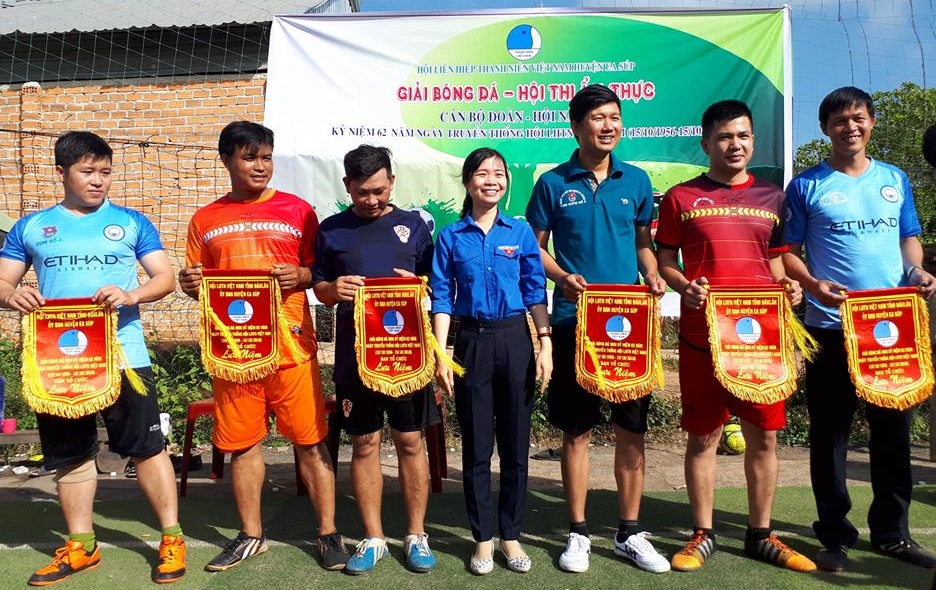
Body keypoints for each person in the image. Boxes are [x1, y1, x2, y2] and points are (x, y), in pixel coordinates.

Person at [0, 131, 185, 586]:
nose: (98, 180)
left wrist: (132, 293)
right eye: (87, 172)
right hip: (58, 363)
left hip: (125, 358)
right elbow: (2, 282)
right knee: (70, 454)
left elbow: (164, 278)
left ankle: (171, 539)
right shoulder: (31, 227)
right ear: (61, 172)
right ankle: (82, 546)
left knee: (147, 448)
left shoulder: (132, 222)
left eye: (105, 171)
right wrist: (11, 296)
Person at [179, 121, 348, 572]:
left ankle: (328, 533)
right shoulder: (204, 220)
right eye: (249, 157)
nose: (260, 166)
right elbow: (197, 283)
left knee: (310, 441)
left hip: (292, 347)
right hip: (235, 352)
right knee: (242, 445)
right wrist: (189, 283)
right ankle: (252, 535)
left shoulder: (299, 211)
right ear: (226, 160)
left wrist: (303, 275)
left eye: (267, 157)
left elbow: (319, 273)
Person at [656, 100, 815, 574]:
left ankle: (761, 535)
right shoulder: (680, 197)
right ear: (706, 143)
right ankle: (702, 533)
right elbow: (665, 261)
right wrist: (684, 285)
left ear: (753, 141)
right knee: (703, 437)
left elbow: (776, 260)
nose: (735, 144)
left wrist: (790, 287)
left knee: (764, 438)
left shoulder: (774, 197)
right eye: (725, 136)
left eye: (743, 135)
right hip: (702, 338)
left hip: (762, 343)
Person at [783, 87, 936, 572]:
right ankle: (834, 535)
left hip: (890, 328)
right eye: (840, 120)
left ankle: (892, 533)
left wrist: (916, 271)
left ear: (871, 122)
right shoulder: (806, 186)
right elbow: (786, 252)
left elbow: (908, 238)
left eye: (858, 118)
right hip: (830, 326)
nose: (850, 127)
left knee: (893, 431)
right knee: (830, 434)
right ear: (825, 128)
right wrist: (812, 284)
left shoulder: (894, 179)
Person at [524, 84, 669, 574]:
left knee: (632, 429)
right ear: (576, 126)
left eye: (615, 117)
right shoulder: (552, 183)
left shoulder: (638, 180)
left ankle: (630, 532)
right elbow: (535, 248)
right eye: (598, 118)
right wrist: (562, 277)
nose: (609, 126)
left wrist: (652, 274)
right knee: (577, 430)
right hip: (574, 322)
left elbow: (644, 243)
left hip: (629, 325)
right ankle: (579, 532)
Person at [311, 144, 440, 574]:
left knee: (410, 442)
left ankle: (416, 534)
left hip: (407, 357)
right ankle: (373, 538)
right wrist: (334, 290)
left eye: (380, 190)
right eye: (362, 191)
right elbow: (320, 288)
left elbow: (436, 285)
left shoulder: (414, 226)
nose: (371, 199)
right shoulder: (331, 230)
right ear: (347, 185)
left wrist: (419, 284)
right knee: (364, 444)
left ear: (392, 182)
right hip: (355, 360)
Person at [431, 147, 551, 575]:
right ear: (468, 182)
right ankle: (482, 539)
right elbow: (442, 296)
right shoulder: (451, 237)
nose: (492, 180)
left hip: (515, 340)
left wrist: (545, 343)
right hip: (472, 344)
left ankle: (511, 536)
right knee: (477, 448)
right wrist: (441, 354)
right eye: (482, 173)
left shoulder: (519, 232)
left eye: (499, 173)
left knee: (516, 447)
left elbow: (535, 290)